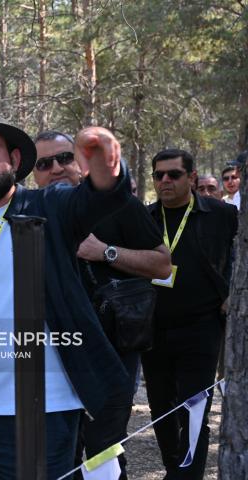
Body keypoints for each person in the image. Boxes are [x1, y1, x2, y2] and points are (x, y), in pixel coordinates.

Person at [0, 110, 132, 479]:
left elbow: (100, 195)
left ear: (15, 159)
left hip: (38, 413)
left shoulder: (47, 207)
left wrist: (104, 161)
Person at [33, 130, 170, 478]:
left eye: (65, 158)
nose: (56, 168)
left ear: (80, 162)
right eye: (44, 163)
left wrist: (106, 252)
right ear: (33, 174)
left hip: (112, 349)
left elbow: (162, 265)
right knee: (58, 453)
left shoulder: (121, 205)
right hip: (55, 354)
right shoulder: (30, 215)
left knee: (104, 451)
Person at [142, 149, 237, 479]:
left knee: (195, 410)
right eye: (158, 175)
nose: (165, 181)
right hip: (152, 329)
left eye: (174, 174)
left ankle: (189, 475)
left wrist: (233, 294)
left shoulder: (221, 214)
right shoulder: (145, 217)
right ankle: (175, 470)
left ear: (192, 177)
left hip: (202, 327)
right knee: (161, 410)